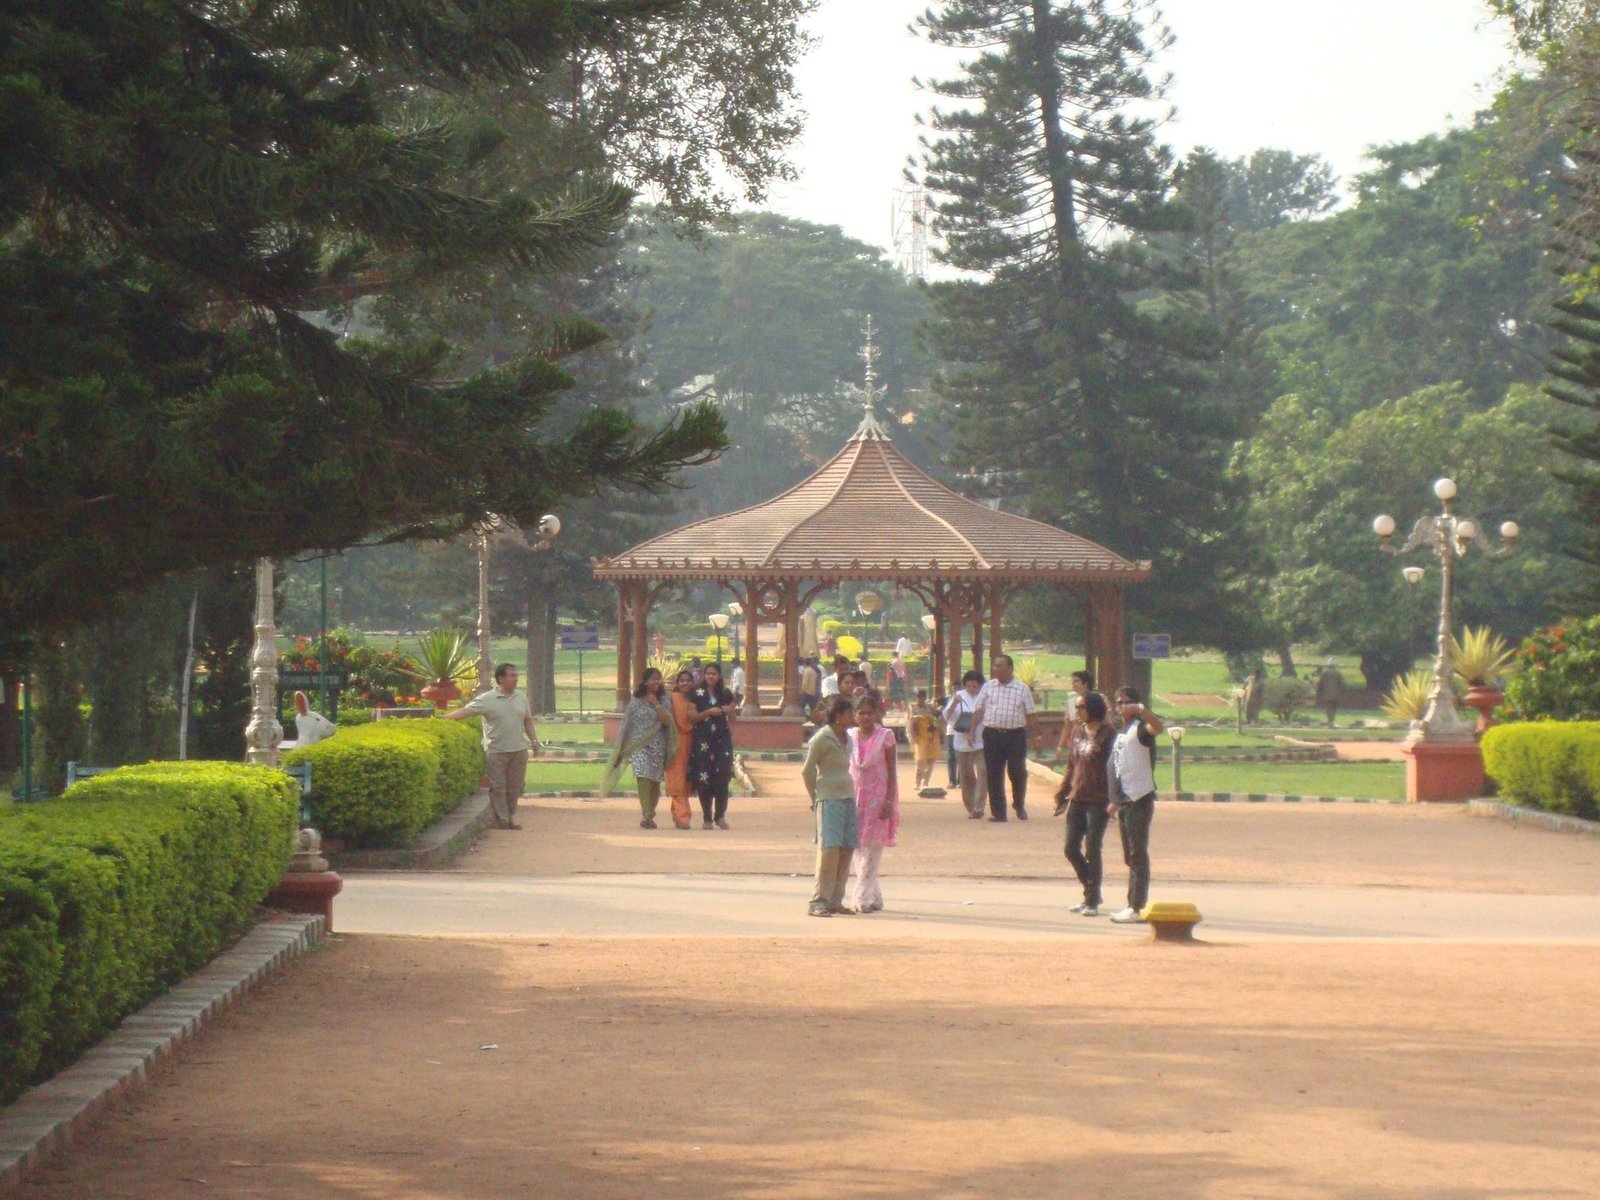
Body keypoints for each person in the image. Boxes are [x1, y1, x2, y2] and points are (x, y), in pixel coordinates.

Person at [445, 663, 540, 830]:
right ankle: (502, 820)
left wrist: (534, 740)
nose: (516, 678)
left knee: (514, 787)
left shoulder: (521, 697)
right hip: (496, 751)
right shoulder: (487, 699)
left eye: (516, 675)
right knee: (498, 787)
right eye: (511, 675)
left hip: (518, 749)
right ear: (501, 678)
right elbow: (466, 711)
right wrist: (442, 719)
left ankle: (510, 817)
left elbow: (527, 720)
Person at [1108, 686, 1164, 923]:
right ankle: (1132, 903)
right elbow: (1118, 766)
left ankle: (1137, 906)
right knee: (1130, 856)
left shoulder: (1141, 728)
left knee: (1138, 853)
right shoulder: (1122, 731)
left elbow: (1158, 728)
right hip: (1124, 800)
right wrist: (1114, 800)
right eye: (1119, 703)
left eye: (1127, 702)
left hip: (1140, 798)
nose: (1123, 707)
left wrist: (1142, 709)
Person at [801, 697, 860, 917]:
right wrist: (814, 797)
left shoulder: (848, 739)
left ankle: (836, 900)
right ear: (838, 715)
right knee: (829, 850)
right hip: (828, 798)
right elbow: (807, 771)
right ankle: (818, 900)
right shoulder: (821, 739)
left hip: (847, 796)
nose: (852, 718)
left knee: (847, 847)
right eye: (849, 713)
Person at [1059, 692, 1116, 916]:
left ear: (1093, 708)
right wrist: (1063, 793)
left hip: (1099, 799)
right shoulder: (1077, 732)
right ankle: (1091, 891)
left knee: (1093, 848)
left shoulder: (1109, 734)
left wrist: (1115, 798)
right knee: (1071, 848)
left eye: (1082, 707)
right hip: (1078, 796)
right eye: (1077, 707)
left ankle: (1091, 900)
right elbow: (1072, 765)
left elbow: (1115, 767)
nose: (1078, 711)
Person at [971, 653, 1041, 821]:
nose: (995, 669)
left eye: (999, 666)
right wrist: (971, 730)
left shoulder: (1022, 689)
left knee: (1017, 771)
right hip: (992, 735)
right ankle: (999, 813)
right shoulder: (988, 687)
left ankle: (1019, 803)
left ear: (1010, 668)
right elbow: (979, 710)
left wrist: (1036, 737)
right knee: (994, 774)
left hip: (1015, 735)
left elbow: (1031, 715)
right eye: (994, 666)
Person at [602, 668, 674, 828]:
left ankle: (650, 812)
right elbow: (626, 725)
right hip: (639, 746)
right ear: (645, 681)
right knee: (642, 776)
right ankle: (646, 814)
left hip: (657, 745)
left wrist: (655, 704)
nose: (656, 682)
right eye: (653, 679)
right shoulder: (635, 701)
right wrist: (622, 748)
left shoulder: (664, 700)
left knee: (655, 780)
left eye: (658, 679)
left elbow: (667, 721)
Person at [848, 693, 900, 913]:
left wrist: (889, 800)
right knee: (857, 846)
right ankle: (875, 896)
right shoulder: (848, 737)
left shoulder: (886, 737)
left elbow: (892, 771)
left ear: (877, 714)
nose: (866, 717)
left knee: (872, 848)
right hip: (854, 797)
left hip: (878, 799)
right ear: (854, 715)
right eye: (861, 713)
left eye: (870, 713)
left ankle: (861, 897)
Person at [689, 662, 738, 829]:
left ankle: (720, 816)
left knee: (723, 777)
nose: (711, 676)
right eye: (708, 673)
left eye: (714, 674)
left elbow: (733, 719)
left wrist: (728, 711)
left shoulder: (725, 693)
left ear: (719, 676)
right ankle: (707, 818)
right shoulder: (696, 693)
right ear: (704, 675)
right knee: (704, 777)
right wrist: (708, 712)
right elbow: (692, 717)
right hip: (703, 740)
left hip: (721, 741)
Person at [943, 670, 988, 818]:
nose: (971, 689)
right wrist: (953, 704)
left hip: (980, 741)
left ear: (980, 686)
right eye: (969, 686)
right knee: (966, 775)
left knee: (983, 772)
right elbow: (946, 716)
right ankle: (970, 804)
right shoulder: (959, 696)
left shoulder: (985, 697)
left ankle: (979, 806)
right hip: (961, 743)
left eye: (975, 686)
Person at [662, 670, 697, 829]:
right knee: (676, 779)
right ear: (677, 683)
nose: (685, 683)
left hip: (692, 743)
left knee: (686, 780)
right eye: (682, 681)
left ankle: (677, 813)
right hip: (675, 742)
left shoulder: (696, 699)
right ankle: (684, 816)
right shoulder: (671, 699)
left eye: (688, 680)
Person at [1053, 669, 1096, 771]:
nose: (1073, 683)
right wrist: (1060, 746)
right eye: (1073, 681)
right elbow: (1068, 726)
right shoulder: (1071, 702)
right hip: (1076, 741)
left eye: (1076, 681)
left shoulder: (1098, 700)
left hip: (1094, 740)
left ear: (1085, 684)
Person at [908, 688, 942, 789]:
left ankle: (926, 782)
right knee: (920, 761)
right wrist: (913, 737)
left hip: (931, 737)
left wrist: (936, 721)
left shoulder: (930, 707)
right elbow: (911, 723)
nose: (920, 699)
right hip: (920, 737)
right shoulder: (912, 707)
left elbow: (938, 719)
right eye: (918, 697)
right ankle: (917, 782)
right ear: (916, 697)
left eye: (922, 697)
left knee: (930, 762)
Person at [1315, 661, 1346, 727]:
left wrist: (1318, 692)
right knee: (1334, 707)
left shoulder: (1324, 673)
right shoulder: (1339, 673)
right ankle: (1331, 720)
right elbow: (1343, 684)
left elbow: (1320, 683)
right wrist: (1342, 692)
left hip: (1326, 693)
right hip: (1336, 694)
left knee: (1328, 707)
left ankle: (1330, 721)